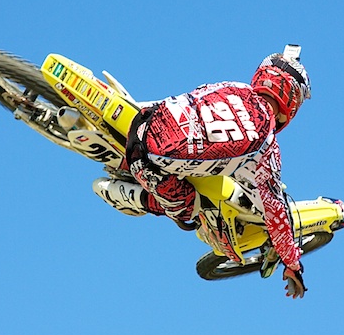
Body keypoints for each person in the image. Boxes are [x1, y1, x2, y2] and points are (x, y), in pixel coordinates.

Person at [93, 46, 311, 298]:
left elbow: (194, 97)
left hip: (144, 116)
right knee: (190, 209)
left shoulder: (233, 87)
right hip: (146, 163)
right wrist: (293, 264)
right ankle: (130, 196)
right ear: (292, 101)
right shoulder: (267, 146)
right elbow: (276, 213)